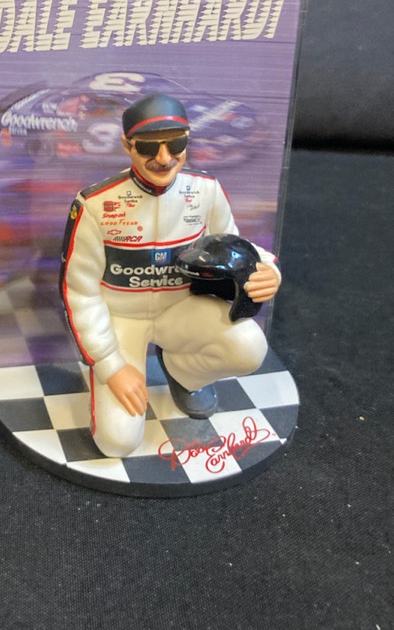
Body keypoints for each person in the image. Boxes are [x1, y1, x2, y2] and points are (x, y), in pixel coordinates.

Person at [59, 93, 281, 458]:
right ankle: (119, 383)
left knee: (249, 347)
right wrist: (111, 366)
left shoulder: (206, 190)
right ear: (127, 146)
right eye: (149, 147)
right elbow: (79, 292)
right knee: (117, 442)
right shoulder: (95, 204)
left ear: (187, 141)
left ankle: (183, 373)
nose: (163, 158)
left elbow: (233, 245)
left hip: (179, 312)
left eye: (175, 144)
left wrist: (266, 271)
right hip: (121, 320)